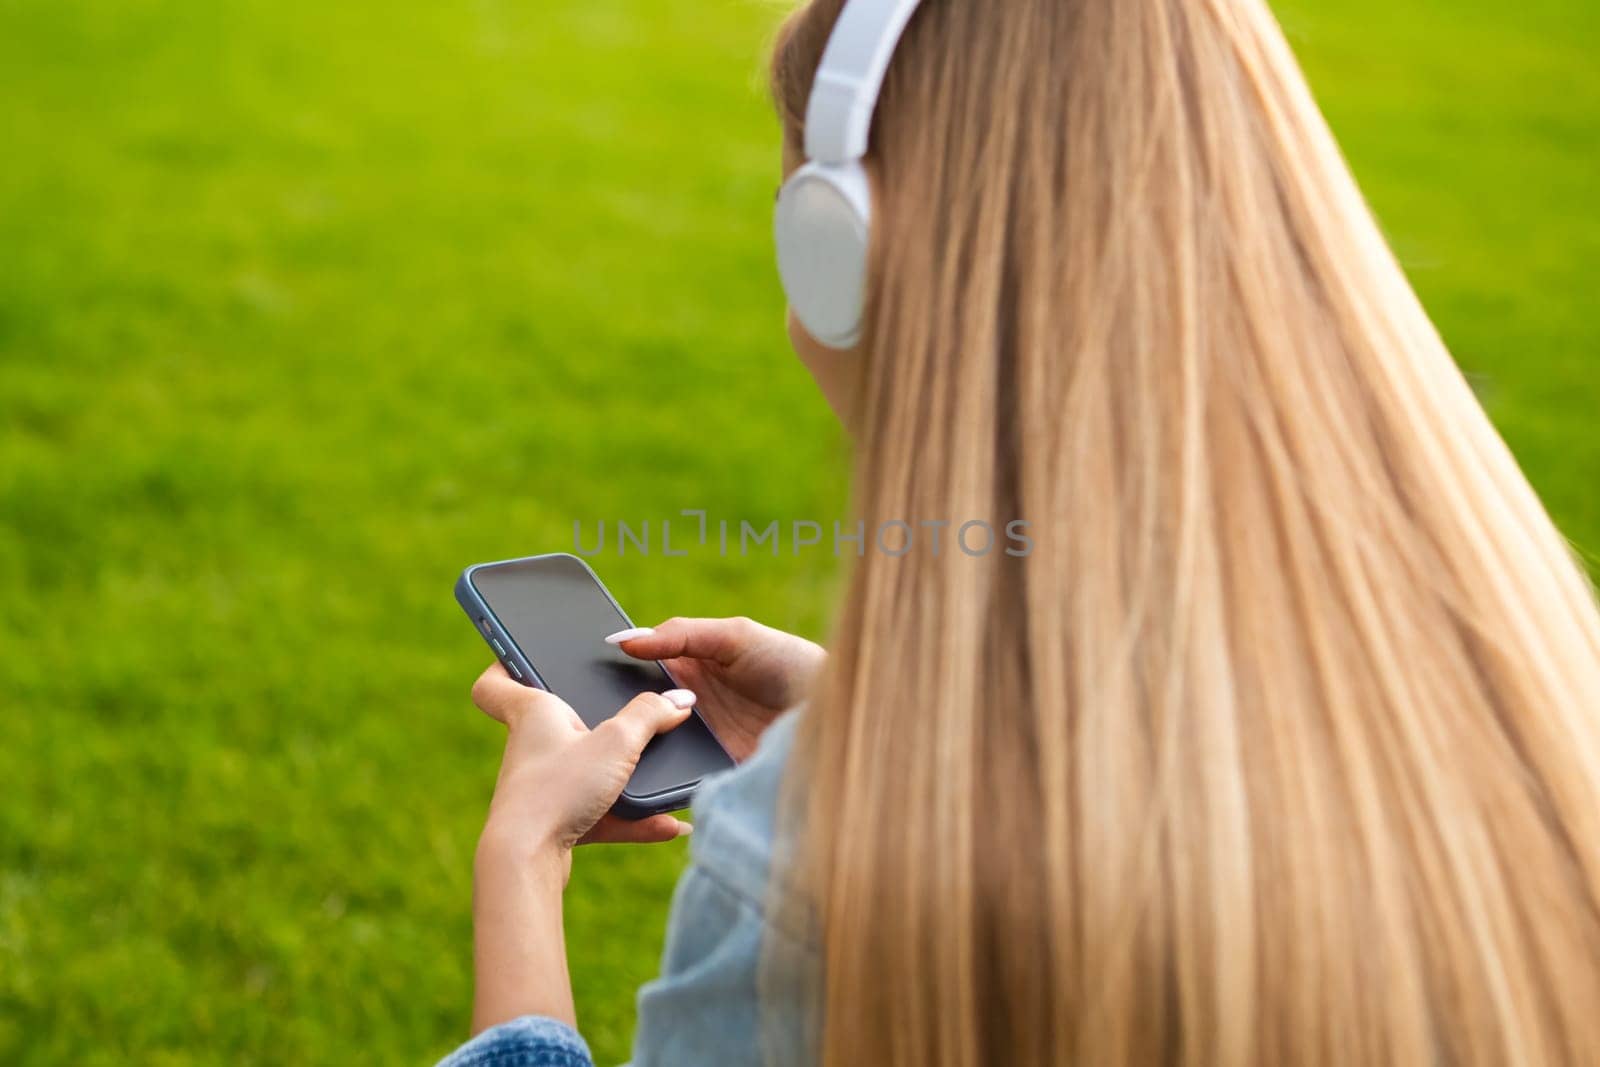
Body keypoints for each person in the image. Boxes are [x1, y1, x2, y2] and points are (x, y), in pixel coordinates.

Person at [440, 0, 1600, 1064]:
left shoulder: (813, 866)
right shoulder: (1532, 689)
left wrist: (524, 861)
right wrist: (874, 716)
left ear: (837, 251)